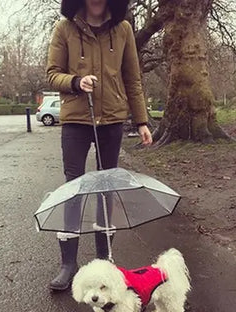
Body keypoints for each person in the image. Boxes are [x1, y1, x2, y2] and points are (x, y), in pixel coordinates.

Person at [46, 0, 152, 291]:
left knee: (106, 186)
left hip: (112, 120)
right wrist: (76, 81)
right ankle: (68, 263)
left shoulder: (123, 30)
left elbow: (132, 78)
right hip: (76, 120)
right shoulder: (64, 28)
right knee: (74, 188)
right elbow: (52, 73)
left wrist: (142, 121)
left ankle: (105, 259)